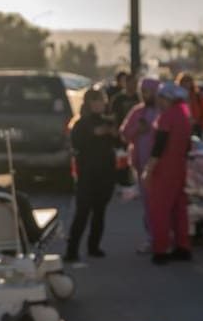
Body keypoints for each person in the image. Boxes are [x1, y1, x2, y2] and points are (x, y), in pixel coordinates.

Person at [65, 88, 119, 262]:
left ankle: (94, 246)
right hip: (87, 175)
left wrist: (113, 133)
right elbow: (77, 143)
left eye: (103, 100)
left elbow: (118, 141)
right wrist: (94, 133)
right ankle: (72, 251)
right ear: (90, 103)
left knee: (99, 212)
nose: (102, 104)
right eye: (98, 100)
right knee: (82, 213)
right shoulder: (81, 123)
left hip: (105, 173)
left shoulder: (107, 121)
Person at [143, 82, 193, 264]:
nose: (158, 101)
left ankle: (160, 250)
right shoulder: (184, 115)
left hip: (164, 169)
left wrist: (148, 170)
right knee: (179, 209)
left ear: (167, 99)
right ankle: (183, 247)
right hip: (180, 167)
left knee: (160, 211)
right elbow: (188, 146)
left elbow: (159, 147)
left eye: (160, 98)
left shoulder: (166, 117)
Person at [121, 77, 161, 253]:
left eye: (148, 91)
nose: (145, 95)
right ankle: (152, 238)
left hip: (161, 166)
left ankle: (165, 237)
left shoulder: (164, 111)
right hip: (141, 166)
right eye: (142, 92)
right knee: (148, 205)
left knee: (162, 204)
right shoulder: (137, 112)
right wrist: (137, 130)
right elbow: (124, 133)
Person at [177, 72, 203, 138]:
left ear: (191, 83)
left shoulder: (198, 97)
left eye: (188, 81)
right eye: (183, 81)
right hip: (180, 129)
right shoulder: (176, 98)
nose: (186, 84)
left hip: (196, 129)